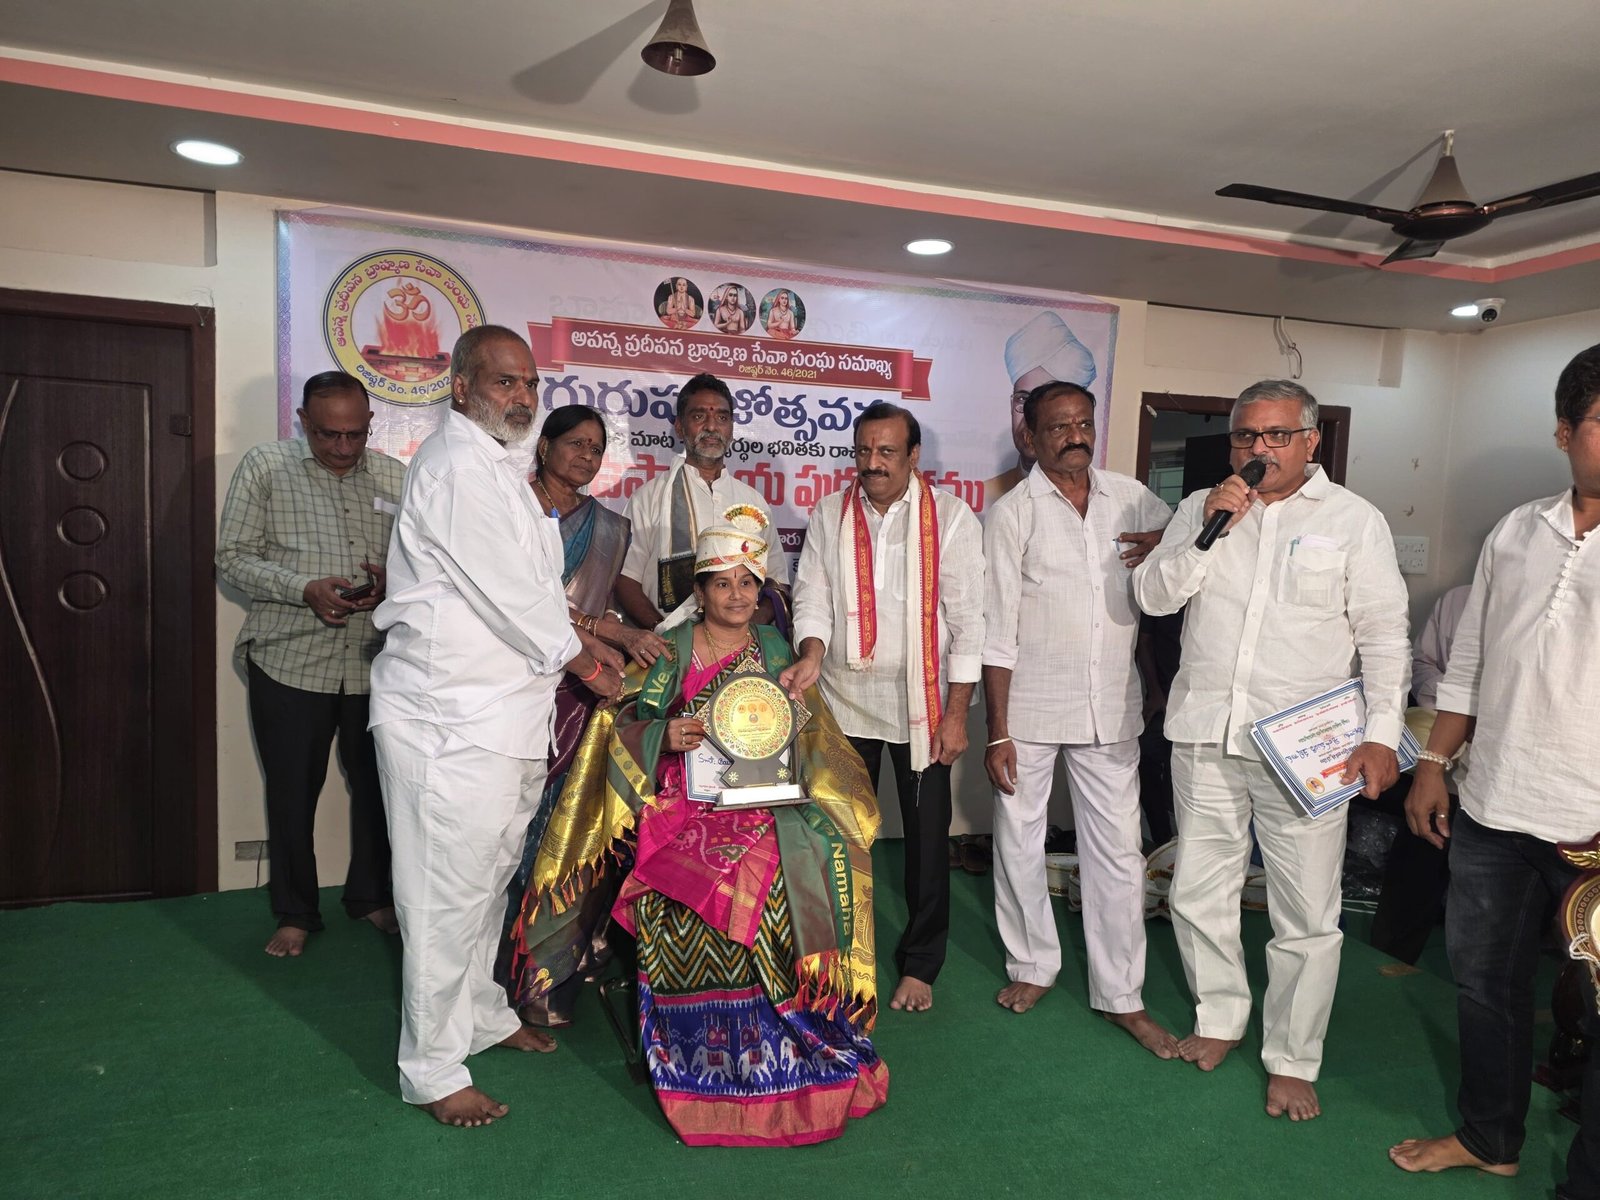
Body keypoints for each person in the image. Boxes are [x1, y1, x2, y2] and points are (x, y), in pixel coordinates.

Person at [527, 505, 888, 1145]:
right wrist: (662, 735)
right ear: (699, 591)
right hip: (681, 802)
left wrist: (795, 730)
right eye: (722, 583)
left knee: (809, 862)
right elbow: (617, 726)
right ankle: (712, 1058)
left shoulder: (775, 649)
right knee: (722, 884)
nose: (737, 595)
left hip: (765, 800)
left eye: (748, 582)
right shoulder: (668, 651)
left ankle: (791, 1036)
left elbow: (809, 738)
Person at [1131, 379, 1410, 1121]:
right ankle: (1220, 1016)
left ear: (1310, 440)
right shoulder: (1203, 507)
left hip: (1305, 746)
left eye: (1277, 435)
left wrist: (1382, 733)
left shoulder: (1354, 520)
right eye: (1246, 436)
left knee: (1306, 911)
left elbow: (1385, 633)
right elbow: (1153, 597)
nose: (1259, 449)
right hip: (1206, 730)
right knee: (1198, 889)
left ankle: (1292, 1058)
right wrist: (1208, 529)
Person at [369, 325, 625, 1128]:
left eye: (529, 383)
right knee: (443, 898)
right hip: (449, 720)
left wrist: (590, 642)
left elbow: (540, 592)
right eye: (503, 381)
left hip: (506, 718)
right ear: (460, 386)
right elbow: (511, 600)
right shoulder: (454, 467)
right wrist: (591, 668)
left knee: (483, 887)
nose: (521, 396)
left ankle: (480, 1014)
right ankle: (432, 1067)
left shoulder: (500, 468)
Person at [1390, 343, 1600, 1191]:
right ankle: (1490, 1137)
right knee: (1484, 986)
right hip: (1495, 804)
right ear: (1564, 432)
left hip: (1594, 823)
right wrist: (1434, 763)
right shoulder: (1518, 530)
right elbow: (1471, 660)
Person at [982, 381, 1178, 1058]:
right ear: (1030, 437)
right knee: (1020, 840)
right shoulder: (1012, 514)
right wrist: (997, 731)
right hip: (1030, 709)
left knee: (1118, 854)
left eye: (1083, 423)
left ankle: (1122, 995)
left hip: (1111, 708)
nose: (1075, 435)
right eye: (1059, 426)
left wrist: (1167, 538)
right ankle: (1033, 964)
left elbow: (1191, 542)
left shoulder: (1132, 497)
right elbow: (996, 632)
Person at [782, 401, 986, 1013]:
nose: (872, 463)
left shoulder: (951, 517)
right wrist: (811, 653)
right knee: (841, 837)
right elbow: (812, 595)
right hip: (845, 700)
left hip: (924, 707)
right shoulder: (830, 513)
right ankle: (841, 956)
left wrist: (957, 714)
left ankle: (920, 966)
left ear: (913, 456)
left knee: (926, 843)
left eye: (887, 451)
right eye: (864, 451)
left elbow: (969, 622)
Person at [216, 370, 404, 958]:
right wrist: (303, 589)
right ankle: (295, 912)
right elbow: (232, 558)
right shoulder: (265, 467)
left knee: (378, 788)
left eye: (354, 434)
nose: (343, 447)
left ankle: (371, 896)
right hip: (289, 658)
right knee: (293, 792)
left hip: (375, 663)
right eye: (327, 435)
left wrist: (391, 585)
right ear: (302, 422)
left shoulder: (398, 477)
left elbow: (424, 565)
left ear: (370, 423)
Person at [502, 405, 668, 1026]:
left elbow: (606, 606)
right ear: (543, 446)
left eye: (596, 448)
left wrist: (625, 635)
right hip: (517, 685)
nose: (587, 457)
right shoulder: (511, 506)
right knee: (515, 833)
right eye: (575, 443)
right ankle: (504, 969)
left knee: (571, 829)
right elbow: (519, 601)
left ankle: (557, 964)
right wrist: (605, 631)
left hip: (585, 697)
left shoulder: (610, 527)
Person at [615, 373, 791, 630]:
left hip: (741, 646)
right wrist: (666, 635)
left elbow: (777, 582)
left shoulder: (753, 502)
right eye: (699, 417)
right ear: (679, 427)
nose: (711, 427)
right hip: (668, 644)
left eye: (722, 418)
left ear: (731, 428)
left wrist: (747, 630)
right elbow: (626, 579)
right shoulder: (648, 498)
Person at [984, 311, 1098, 505]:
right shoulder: (993, 499)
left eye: (1047, 403)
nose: (1030, 417)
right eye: (1023, 399)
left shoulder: (1122, 495)